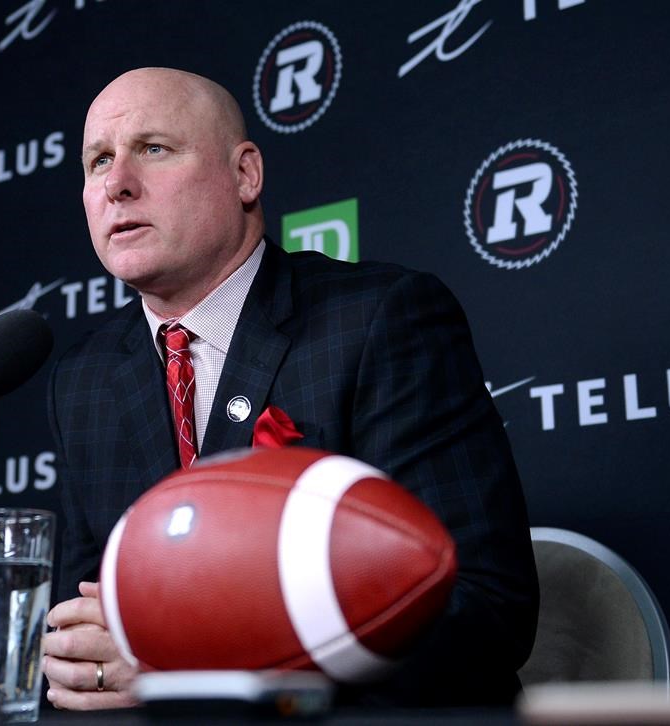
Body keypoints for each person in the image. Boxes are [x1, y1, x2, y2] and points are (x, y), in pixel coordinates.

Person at [41, 67, 538, 710]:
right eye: (98, 160)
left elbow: (483, 610)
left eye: (153, 149)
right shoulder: (84, 380)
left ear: (245, 174)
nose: (117, 183)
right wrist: (47, 659)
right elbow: (86, 616)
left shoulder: (381, 319)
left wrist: (187, 663)